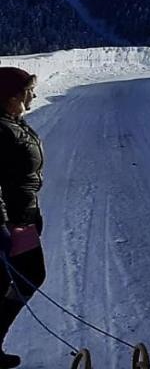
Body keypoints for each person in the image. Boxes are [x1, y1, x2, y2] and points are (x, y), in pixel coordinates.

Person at [0, 67, 44, 369]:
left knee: (22, 279)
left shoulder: (12, 122)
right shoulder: (0, 129)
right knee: (26, 277)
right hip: (9, 223)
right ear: (11, 96)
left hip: (23, 218)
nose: (34, 94)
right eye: (29, 90)